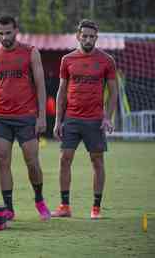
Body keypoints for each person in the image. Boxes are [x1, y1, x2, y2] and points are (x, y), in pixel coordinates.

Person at [0, 16, 51, 221]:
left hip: (26, 117)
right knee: (2, 162)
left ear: (16, 31)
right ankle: (8, 208)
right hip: (0, 118)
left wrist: (42, 116)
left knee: (32, 162)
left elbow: (40, 86)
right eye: (0, 33)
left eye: (8, 32)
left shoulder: (30, 52)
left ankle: (39, 199)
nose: (4, 37)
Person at [51, 19, 118, 219]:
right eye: (84, 36)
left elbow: (114, 92)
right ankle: (64, 207)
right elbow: (61, 92)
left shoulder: (107, 61)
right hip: (71, 119)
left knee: (97, 161)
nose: (88, 39)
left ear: (96, 38)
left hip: (95, 120)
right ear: (78, 36)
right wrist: (57, 121)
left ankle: (96, 208)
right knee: (64, 159)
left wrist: (108, 117)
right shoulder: (67, 60)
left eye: (91, 36)